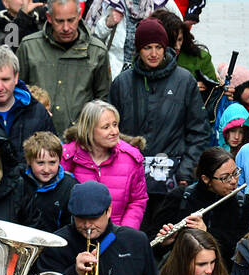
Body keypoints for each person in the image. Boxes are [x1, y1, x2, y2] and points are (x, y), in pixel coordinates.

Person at [109, 17, 211, 237]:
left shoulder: (184, 81)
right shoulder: (122, 83)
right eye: (147, 47)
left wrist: (186, 171)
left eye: (158, 47)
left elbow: (199, 131)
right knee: (132, 237)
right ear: (139, 49)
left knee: (169, 239)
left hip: (172, 180)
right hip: (130, 177)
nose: (153, 53)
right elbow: (110, 132)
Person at [18, 0, 112, 136]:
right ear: (49, 18)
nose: (66, 28)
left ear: (79, 16)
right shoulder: (29, 47)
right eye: (60, 21)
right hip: (37, 139)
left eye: (71, 20)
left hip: (80, 140)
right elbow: (17, 93)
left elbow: (103, 99)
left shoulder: (97, 51)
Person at [153, 147, 249, 264]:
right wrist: (164, 243)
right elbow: (152, 248)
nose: (234, 181)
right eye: (225, 177)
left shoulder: (246, 204)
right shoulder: (179, 198)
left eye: (235, 173)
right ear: (206, 179)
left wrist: (208, 233)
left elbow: (246, 250)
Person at [61, 100, 148, 230]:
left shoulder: (131, 158)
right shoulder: (68, 156)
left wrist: (124, 233)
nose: (114, 131)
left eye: (115, 124)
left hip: (117, 235)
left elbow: (137, 201)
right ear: (89, 129)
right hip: (77, 234)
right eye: (106, 127)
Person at [22, 130, 78, 232]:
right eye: (40, 163)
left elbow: (71, 226)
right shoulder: (20, 183)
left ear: (60, 160)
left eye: (52, 163)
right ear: (29, 161)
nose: (46, 169)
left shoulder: (70, 187)